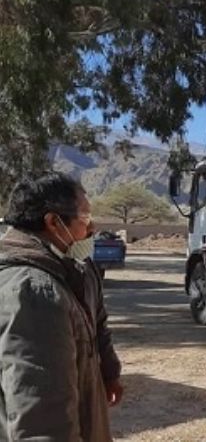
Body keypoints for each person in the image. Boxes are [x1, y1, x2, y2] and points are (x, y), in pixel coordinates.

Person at [0, 172, 120, 441]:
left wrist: (109, 372)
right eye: (85, 218)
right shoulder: (33, 291)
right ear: (54, 222)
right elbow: (41, 417)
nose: (92, 228)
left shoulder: (74, 268)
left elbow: (98, 323)